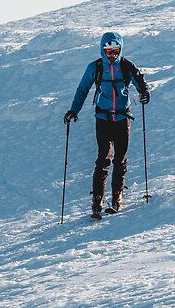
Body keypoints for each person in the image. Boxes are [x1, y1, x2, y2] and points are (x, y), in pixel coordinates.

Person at [64, 31, 151, 219]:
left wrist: (145, 93)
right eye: (108, 51)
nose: (112, 55)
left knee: (120, 159)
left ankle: (117, 198)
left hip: (122, 118)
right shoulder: (95, 68)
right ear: (103, 50)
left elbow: (140, 83)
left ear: (120, 49)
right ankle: (97, 200)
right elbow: (82, 89)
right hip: (103, 119)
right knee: (103, 158)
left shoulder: (127, 66)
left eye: (115, 51)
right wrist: (74, 110)